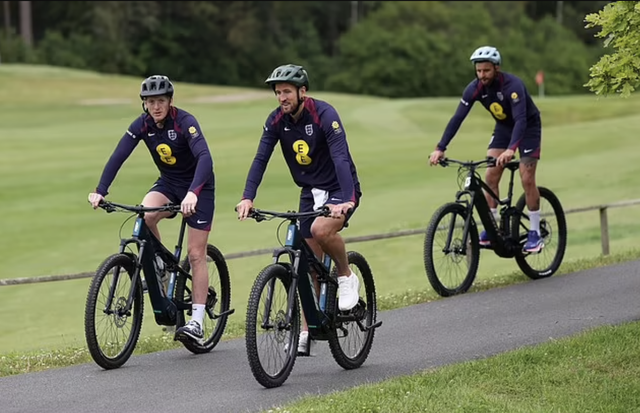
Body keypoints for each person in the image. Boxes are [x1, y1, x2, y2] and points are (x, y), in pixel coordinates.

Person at [235, 63, 362, 355]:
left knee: (320, 230)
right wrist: (247, 197)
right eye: (278, 93)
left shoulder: (324, 115)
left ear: (302, 92)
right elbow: (260, 159)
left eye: (287, 92)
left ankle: (346, 275)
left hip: (339, 189)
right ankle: (307, 328)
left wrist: (346, 199)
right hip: (309, 193)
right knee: (309, 265)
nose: (282, 98)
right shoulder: (276, 120)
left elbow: (341, 158)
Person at [87, 75, 216, 344]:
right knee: (146, 214)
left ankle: (197, 321)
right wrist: (100, 190)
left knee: (195, 254)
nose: (155, 107)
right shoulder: (142, 125)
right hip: (169, 183)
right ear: (144, 104)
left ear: (170, 101)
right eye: (150, 102)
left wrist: (193, 192)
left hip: (198, 187)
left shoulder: (185, 122)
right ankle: (161, 265)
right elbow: (118, 155)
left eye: (160, 101)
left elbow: (205, 157)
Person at [428, 46, 544, 253]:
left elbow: (520, 120)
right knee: (490, 176)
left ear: (496, 68)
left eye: (486, 71)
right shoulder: (474, 88)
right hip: (503, 128)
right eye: (478, 71)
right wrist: (440, 148)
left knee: (526, 177)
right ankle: (492, 230)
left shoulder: (513, 85)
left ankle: (535, 232)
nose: (482, 75)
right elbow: (457, 118)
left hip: (527, 127)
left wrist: (511, 150)